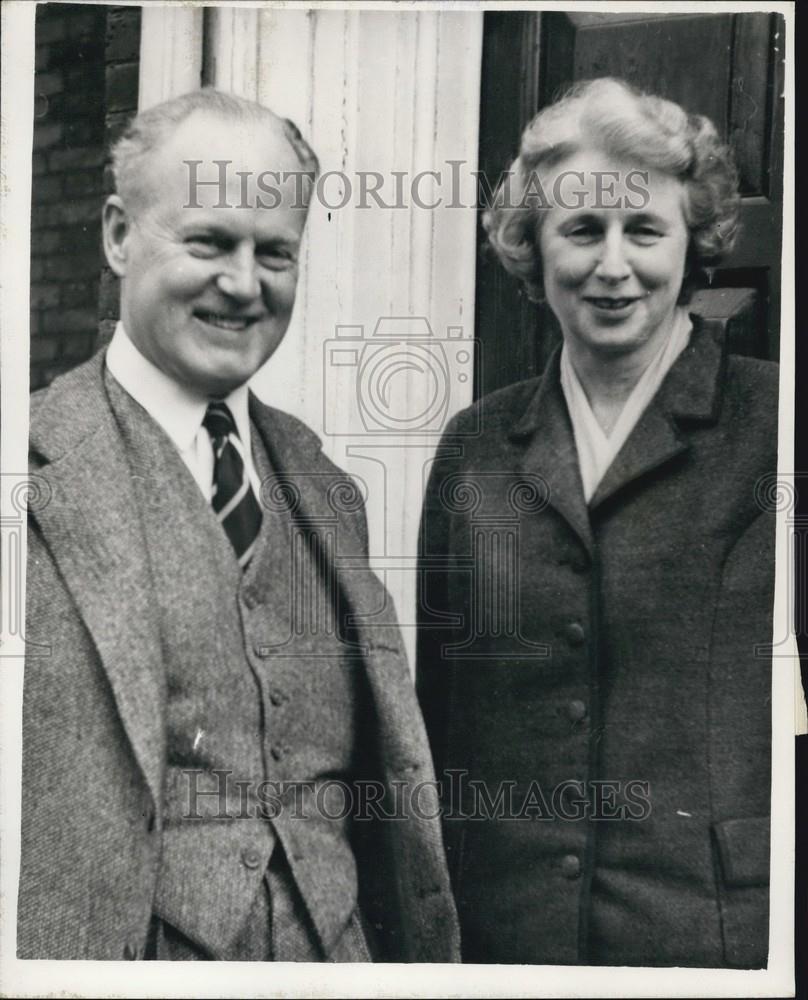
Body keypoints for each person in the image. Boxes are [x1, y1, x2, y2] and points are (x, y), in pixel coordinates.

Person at [20, 88, 459, 963]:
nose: (244, 284)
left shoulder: (325, 487)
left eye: (276, 253)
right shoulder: (23, 469)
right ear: (117, 235)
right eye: (210, 242)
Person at [416, 78, 777, 968]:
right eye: (581, 230)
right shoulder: (476, 448)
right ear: (534, 251)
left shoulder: (777, 426)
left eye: (644, 230)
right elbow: (439, 713)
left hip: (713, 938)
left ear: (691, 243)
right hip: (509, 941)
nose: (613, 265)